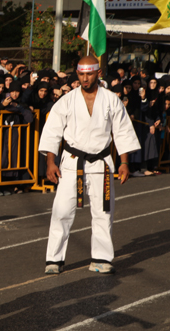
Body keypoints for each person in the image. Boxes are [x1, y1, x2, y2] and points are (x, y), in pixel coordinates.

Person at [40, 56, 140, 275]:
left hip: (101, 163)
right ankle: (54, 259)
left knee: (104, 212)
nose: (85, 78)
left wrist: (124, 162)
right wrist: (50, 162)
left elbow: (122, 131)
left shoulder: (111, 100)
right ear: (77, 73)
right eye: (81, 74)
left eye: (89, 74)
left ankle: (101, 258)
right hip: (71, 162)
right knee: (61, 211)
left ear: (98, 73)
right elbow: (52, 132)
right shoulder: (66, 101)